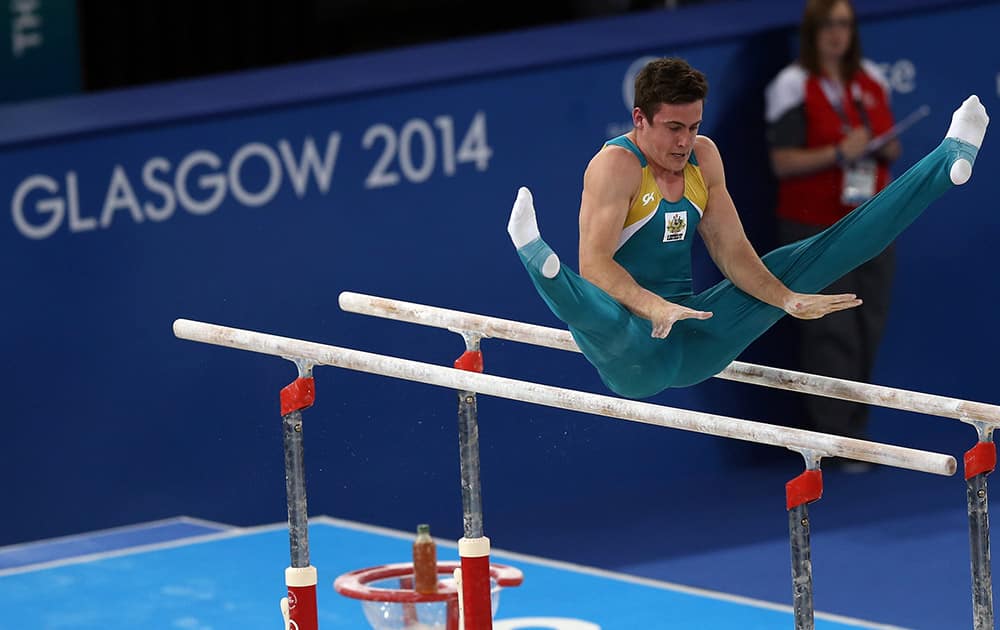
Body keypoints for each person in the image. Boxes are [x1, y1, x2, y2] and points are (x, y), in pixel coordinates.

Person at [507, 56, 987, 400]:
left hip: (694, 338)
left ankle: (946, 162)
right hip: (633, 354)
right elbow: (595, 264)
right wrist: (654, 306)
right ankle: (536, 257)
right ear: (639, 119)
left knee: (796, 263)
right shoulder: (616, 166)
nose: (685, 140)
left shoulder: (705, 158)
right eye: (674, 127)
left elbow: (732, 252)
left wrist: (785, 298)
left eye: (694, 126)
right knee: (603, 317)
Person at [765, 0, 901, 444]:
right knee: (829, 329)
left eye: (843, 24)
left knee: (869, 324)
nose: (836, 34)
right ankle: (834, 436)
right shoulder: (791, 85)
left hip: (873, 221)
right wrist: (838, 153)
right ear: (811, 32)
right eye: (826, 26)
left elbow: (893, 149)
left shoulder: (871, 79)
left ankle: (857, 430)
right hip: (816, 227)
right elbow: (782, 161)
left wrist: (874, 146)